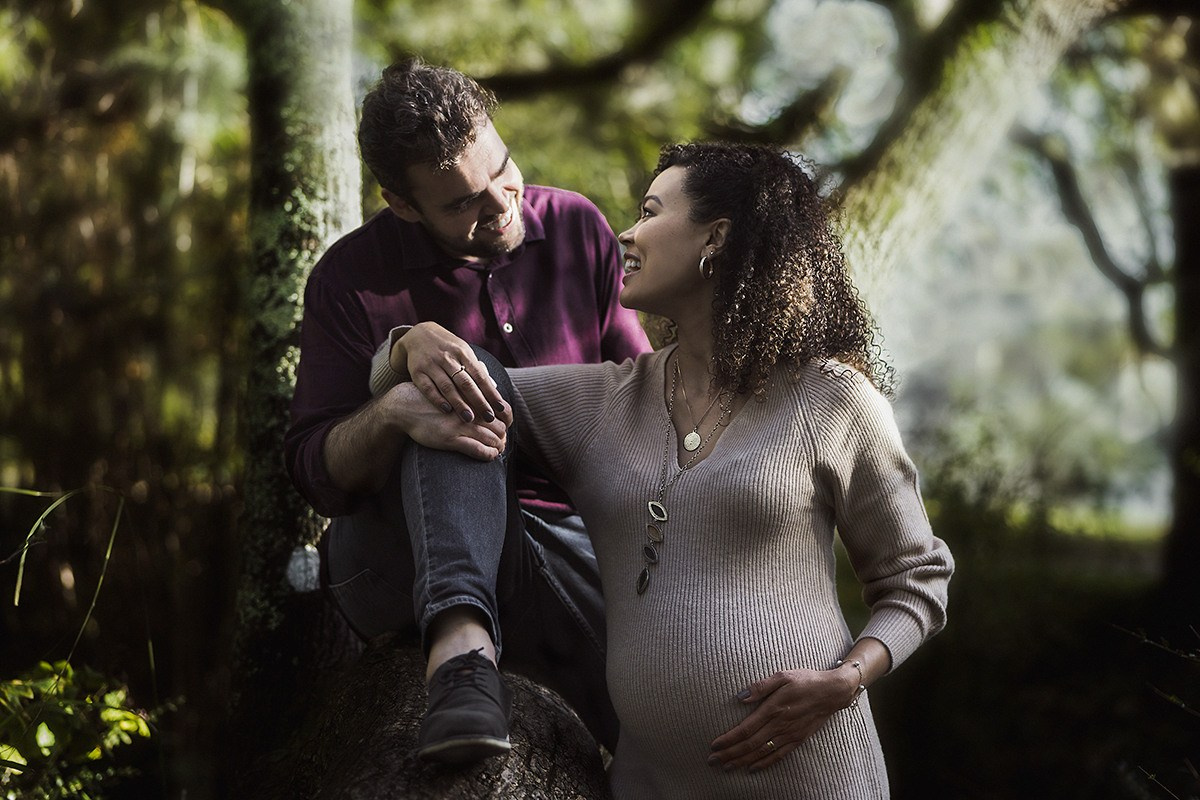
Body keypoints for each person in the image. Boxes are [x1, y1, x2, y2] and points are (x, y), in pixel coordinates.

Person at [375, 142, 954, 797]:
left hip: (813, 777)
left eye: (650, 211)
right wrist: (407, 344)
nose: (626, 231)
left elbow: (916, 579)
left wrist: (847, 678)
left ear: (717, 238)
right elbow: (452, 391)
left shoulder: (831, 399)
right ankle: (460, 652)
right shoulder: (605, 400)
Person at [283, 58, 650, 763]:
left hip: (566, 550)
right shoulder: (350, 279)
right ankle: (461, 659)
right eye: (462, 204)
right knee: (448, 382)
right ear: (402, 204)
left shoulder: (576, 225)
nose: (502, 204)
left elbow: (640, 396)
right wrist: (393, 408)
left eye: (502, 171)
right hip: (400, 558)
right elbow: (313, 471)